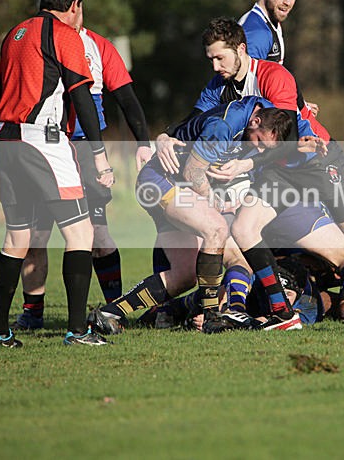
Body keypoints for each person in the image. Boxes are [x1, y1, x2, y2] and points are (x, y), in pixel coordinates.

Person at [161, 18, 344, 321]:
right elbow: (196, 119)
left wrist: (246, 162)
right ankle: (282, 313)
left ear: (240, 49)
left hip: (316, 160)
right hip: (276, 169)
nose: (215, 66)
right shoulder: (219, 85)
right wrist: (165, 136)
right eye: (211, 59)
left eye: (220, 57)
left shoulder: (273, 76)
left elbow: (287, 137)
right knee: (244, 229)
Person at [87, 95, 298, 335]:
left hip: (178, 184)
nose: (258, 149)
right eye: (259, 141)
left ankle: (108, 313)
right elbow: (192, 172)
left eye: (264, 147)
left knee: (188, 274)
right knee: (216, 228)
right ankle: (212, 316)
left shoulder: (264, 113)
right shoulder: (224, 127)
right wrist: (217, 202)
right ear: (255, 121)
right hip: (160, 180)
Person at [0, 0, 115, 348]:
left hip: (6, 138)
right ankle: (78, 332)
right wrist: (100, 156)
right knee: (81, 234)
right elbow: (82, 98)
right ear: (75, 5)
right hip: (43, 141)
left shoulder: (15, 33)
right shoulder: (65, 35)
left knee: (17, 237)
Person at [11, 21, 153, 331]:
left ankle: (115, 311)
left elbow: (126, 98)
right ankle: (32, 314)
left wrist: (143, 142)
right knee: (36, 237)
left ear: (76, 6)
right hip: (44, 148)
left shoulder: (99, 46)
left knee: (97, 236)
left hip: (86, 151)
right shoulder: (36, 40)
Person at [239, 0, 318, 116]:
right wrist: (292, 112)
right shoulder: (256, 32)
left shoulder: (271, 21)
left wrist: (297, 105)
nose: (287, 2)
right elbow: (248, 94)